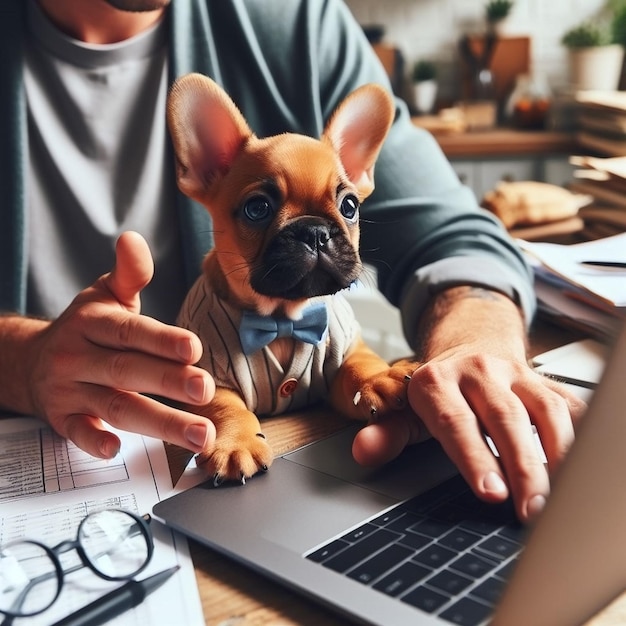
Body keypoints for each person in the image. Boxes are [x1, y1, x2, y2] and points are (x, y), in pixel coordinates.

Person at [0, 0, 585, 523]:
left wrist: (475, 342)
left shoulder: (296, 19)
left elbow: (456, 236)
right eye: (259, 208)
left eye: (346, 203)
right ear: (204, 169)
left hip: (310, 482)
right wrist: (22, 359)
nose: (314, 238)